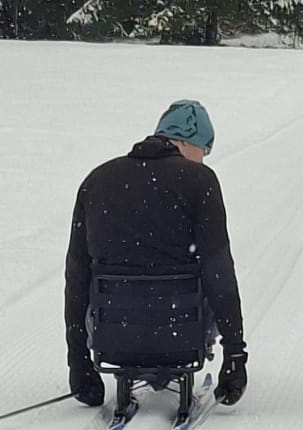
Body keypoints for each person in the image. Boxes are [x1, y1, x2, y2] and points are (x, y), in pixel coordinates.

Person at [64, 99, 248, 409]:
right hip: (181, 337)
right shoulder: (200, 182)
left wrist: (79, 362)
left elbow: (77, 275)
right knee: (205, 275)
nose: (203, 160)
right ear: (184, 141)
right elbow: (219, 272)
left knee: (96, 277)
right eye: (204, 149)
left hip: (115, 338)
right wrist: (234, 354)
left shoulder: (97, 181)